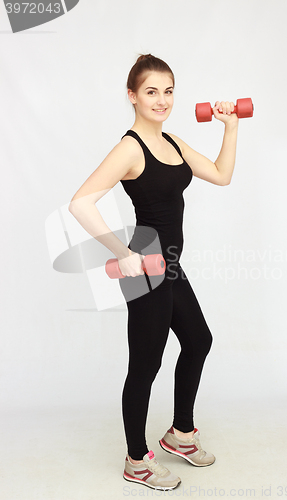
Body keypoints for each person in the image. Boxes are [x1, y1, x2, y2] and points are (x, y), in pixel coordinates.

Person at [69, 53, 239, 491]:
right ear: (132, 96)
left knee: (199, 340)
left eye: (167, 91)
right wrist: (120, 250)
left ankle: (180, 434)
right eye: (151, 92)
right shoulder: (130, 147)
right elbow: (81, 202)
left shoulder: (175, 142)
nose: (161, 100)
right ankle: (136, 458)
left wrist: (231, 127)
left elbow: (221, 175)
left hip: (172, 265)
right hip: (144, 264)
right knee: (145, 364)